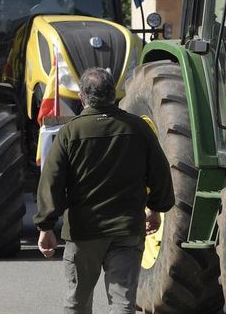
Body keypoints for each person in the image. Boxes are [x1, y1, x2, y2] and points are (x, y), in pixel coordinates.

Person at [34, 67, 174, 314]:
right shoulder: (139, 129)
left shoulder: (70, 132)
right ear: (114, 94)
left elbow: (51, 181)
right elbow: (161, 173)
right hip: (127, 230)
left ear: (82, 96)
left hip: (84, 233)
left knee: (77, 302)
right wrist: (155, 208)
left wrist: (46, 227)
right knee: (122, 304)